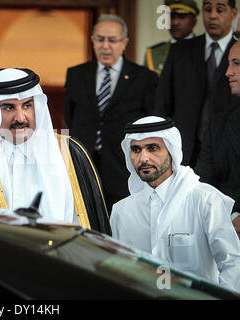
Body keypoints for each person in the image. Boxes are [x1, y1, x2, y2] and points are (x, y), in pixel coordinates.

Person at [0, 68, 111, 234]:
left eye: (27, 105)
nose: (20, 117)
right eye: (8, 107)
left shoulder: (70, 153)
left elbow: (94, 231)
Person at [110, 116, 240, 292]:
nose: (143, 158)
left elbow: (233, 261)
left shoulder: (204, 200)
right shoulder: (122, 211)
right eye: (136, 149)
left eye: (152, 148)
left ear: (171, 151)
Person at [64, 14, 158, 213]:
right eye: (100, 39)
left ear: (124, 43)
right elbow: (70, 117)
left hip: (123, 171)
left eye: (112, 40)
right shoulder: (76, 74)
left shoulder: (144, 78)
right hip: (83, 169)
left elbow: (149, 127)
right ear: (92, 40)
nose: (105, 46)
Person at [155, 0, 239, 167]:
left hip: (229, 150)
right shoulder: (180, 50)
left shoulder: (237, 50)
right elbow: (163, 103)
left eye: (220, 9)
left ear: (233, 13)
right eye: (208, 9)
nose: (213, 15)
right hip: (184, 150)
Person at [195, 39, 240, 238]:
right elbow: (203, 183)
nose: (228, 72)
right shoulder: (218, 124)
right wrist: (224, 220)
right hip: (223, 231)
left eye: (237, 64)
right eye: (229, 63)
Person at [144, 0, 199, 75]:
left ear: (194, 21)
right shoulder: (153, 54)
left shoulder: (206, 49)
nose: (175, 22)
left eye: (182, 17)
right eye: (171, 16)